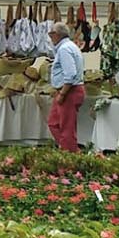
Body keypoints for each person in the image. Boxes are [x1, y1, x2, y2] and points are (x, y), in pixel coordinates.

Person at [47, 21, 86, 152]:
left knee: (66, 127)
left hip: (70, 91)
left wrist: (62, 93)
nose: (50, 37)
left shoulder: (65, 49)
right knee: (54, 123)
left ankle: (70, 156)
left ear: (57, 35)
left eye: (51, 34)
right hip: (66, 90)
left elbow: (70, 74)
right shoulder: (69, 47)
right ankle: (68, 149)